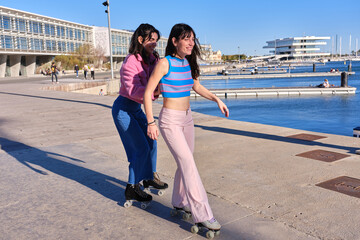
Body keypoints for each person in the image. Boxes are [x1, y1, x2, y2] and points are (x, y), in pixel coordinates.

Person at [144, 23, 229, 231]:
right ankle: (203, 214)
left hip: (187, 119)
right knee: (189, 164)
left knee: (186, 161)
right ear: (175, 41)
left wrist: (217, 99)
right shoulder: (165, 63)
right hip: (170, 120)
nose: (191, 42)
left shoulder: (187, 64)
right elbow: (148, 93)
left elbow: (196, 86)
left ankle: (179, 201)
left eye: (193, 38)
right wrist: (150, 122)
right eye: (187, 38)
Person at [111, 23, 168, 205]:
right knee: (139, 148)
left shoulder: (152, 59)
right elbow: (134, 90)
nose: (154, 44)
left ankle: (149, 177)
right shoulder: (130, 63)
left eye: (156, 41)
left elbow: (160, 78)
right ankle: (132, 187)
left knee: (151, 141)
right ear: (140, 39)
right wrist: (156, 92)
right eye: (151, 40)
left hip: (136, 109)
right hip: (123, 110)